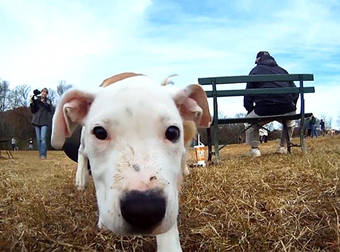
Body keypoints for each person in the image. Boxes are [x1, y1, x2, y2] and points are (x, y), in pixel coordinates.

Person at [244, 51, 298, 157]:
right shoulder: (283, 71)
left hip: (264, 109)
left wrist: (250, 110)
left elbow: (248, 95)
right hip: (286, 108)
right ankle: (283, 147)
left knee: (249, 122)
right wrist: (292, 106)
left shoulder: (255, 71)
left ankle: (255, 150)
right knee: (290, 122)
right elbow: (295, 92)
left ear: (258, 60)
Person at [30, 88, 53, 159]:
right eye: (43, 92)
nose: (44, 93)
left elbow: (50, 109)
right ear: (41, 92)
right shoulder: (37, 100)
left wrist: (43, 102)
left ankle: (43, 155)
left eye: (45, 92)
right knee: (38, 139)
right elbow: (33, 111)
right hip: (36, 121)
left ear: (47, 94)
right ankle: (40, 154)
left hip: (44, 122)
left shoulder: (48, 101)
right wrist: (31, 103)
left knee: (43, 138)